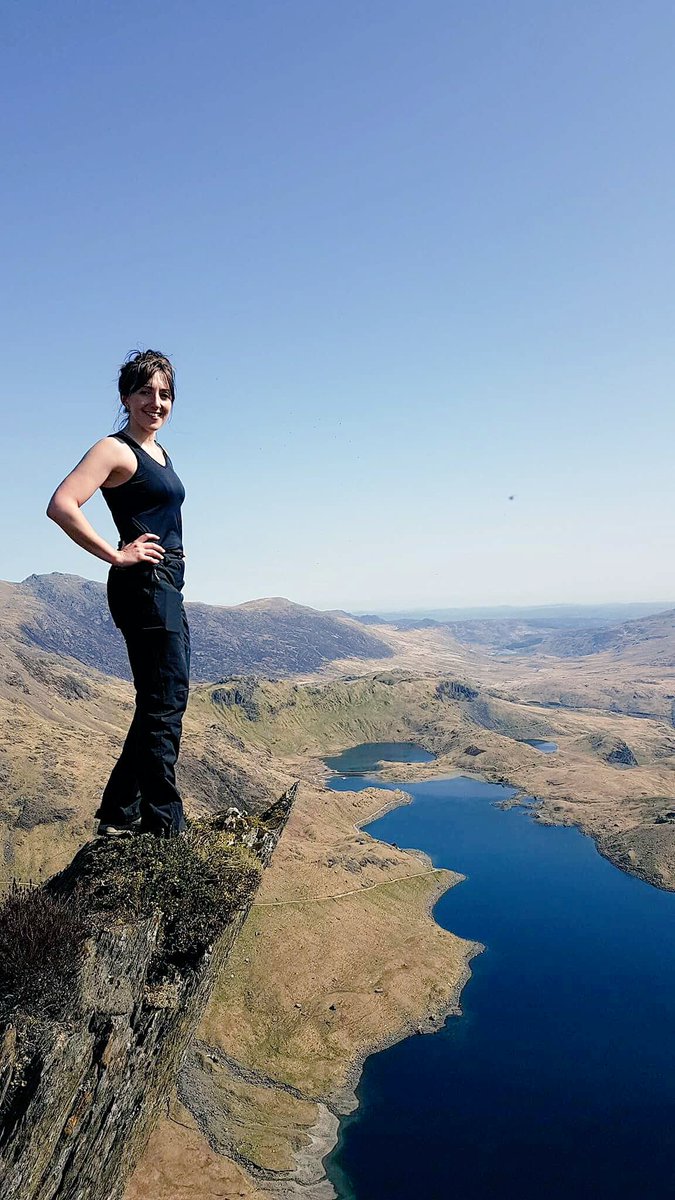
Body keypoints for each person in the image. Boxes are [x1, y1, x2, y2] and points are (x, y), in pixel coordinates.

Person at [47, 349, 189, 837]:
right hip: (145, 585)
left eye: (165, 393)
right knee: (165, 701)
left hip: (165, 583)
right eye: (146, 391)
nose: (157, 402)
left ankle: (119, 812)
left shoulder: (158, 453)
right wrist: (115, 553)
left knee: (159, 700)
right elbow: (62, 504)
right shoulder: (114, 449)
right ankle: (163, 826)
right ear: (126, 396)